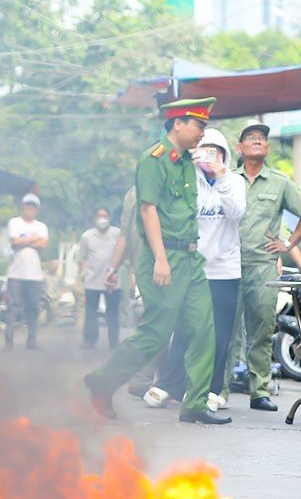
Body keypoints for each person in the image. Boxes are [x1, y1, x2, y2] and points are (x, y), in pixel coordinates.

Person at [85, 97, 230, 425]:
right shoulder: (154, 160)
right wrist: (161, 259)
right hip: (163, 258)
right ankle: (102, 381)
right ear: (178, 123)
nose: (202, 134)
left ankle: (194, 403)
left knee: (206, 330)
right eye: (199, 126)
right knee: (155, 332)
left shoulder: (187, 164)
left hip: (191, 259)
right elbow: (147, 210)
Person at [150, 127, 246, 409]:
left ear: (224, 155)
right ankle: (169, 384)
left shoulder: (235, 181)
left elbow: (236, 212)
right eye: (204, 151)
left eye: (216, 152)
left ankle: (213, 390)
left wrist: (221, 178)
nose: (209, 157)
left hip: (225, 270)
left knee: (219, 333)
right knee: (183, 328)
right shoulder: (187, 180)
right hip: (193, 268)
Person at [235, 121, 301, 410]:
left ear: (267, 149)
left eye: (262, 138)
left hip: (263, 265)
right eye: (251, 137)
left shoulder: (280, 182)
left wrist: (289, 244)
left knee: (262, 329)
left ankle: (259, 391)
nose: (257, 140)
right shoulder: (229, 180)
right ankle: (217, 389)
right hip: (229, 264)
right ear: (240, 148)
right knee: (226, 329)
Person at [5, 193, 49, 350]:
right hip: (16, 274)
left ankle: (32, 340)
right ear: (23, 206)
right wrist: (33, 239)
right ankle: (9, 342)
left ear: (37, 209)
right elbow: (14, 242)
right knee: (12, 308)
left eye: (33, 206)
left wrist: (24, 240)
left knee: (33, 308)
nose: (30, 208)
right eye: (27, 205)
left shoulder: (41, 226)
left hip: (35, 275)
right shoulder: (14, 222)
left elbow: (43, 244)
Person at [77, 207, 121, 349]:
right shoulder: (87, 236)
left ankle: (114, 342)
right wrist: (82, 274)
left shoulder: (117, 233)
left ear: (109, 218)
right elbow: (82, 258)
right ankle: (90, 340)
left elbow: (123, 252)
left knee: (113, 312)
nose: (102, 219)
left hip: (113, 281)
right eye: (99, 216)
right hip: (92, 281)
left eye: (105, 216)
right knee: (91, 312)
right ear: (94, 219)